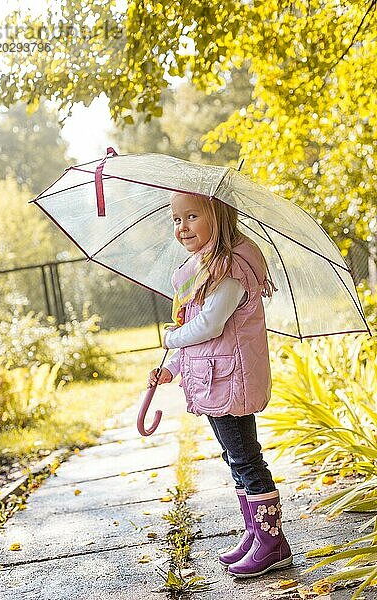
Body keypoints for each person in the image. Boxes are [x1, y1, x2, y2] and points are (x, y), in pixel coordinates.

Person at [147, 191, 292, 578]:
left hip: (230, 380)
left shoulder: (229, 271)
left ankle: (272, 542)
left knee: (247, 459)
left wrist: (171, 339)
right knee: (235, 459)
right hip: (213, 379)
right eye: (176, 220)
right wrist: (172, 368)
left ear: (220, 217)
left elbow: (208, 325)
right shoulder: (202, 270)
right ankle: (255, 532)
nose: (182, 227)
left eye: (191, 217)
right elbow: (196, 332)